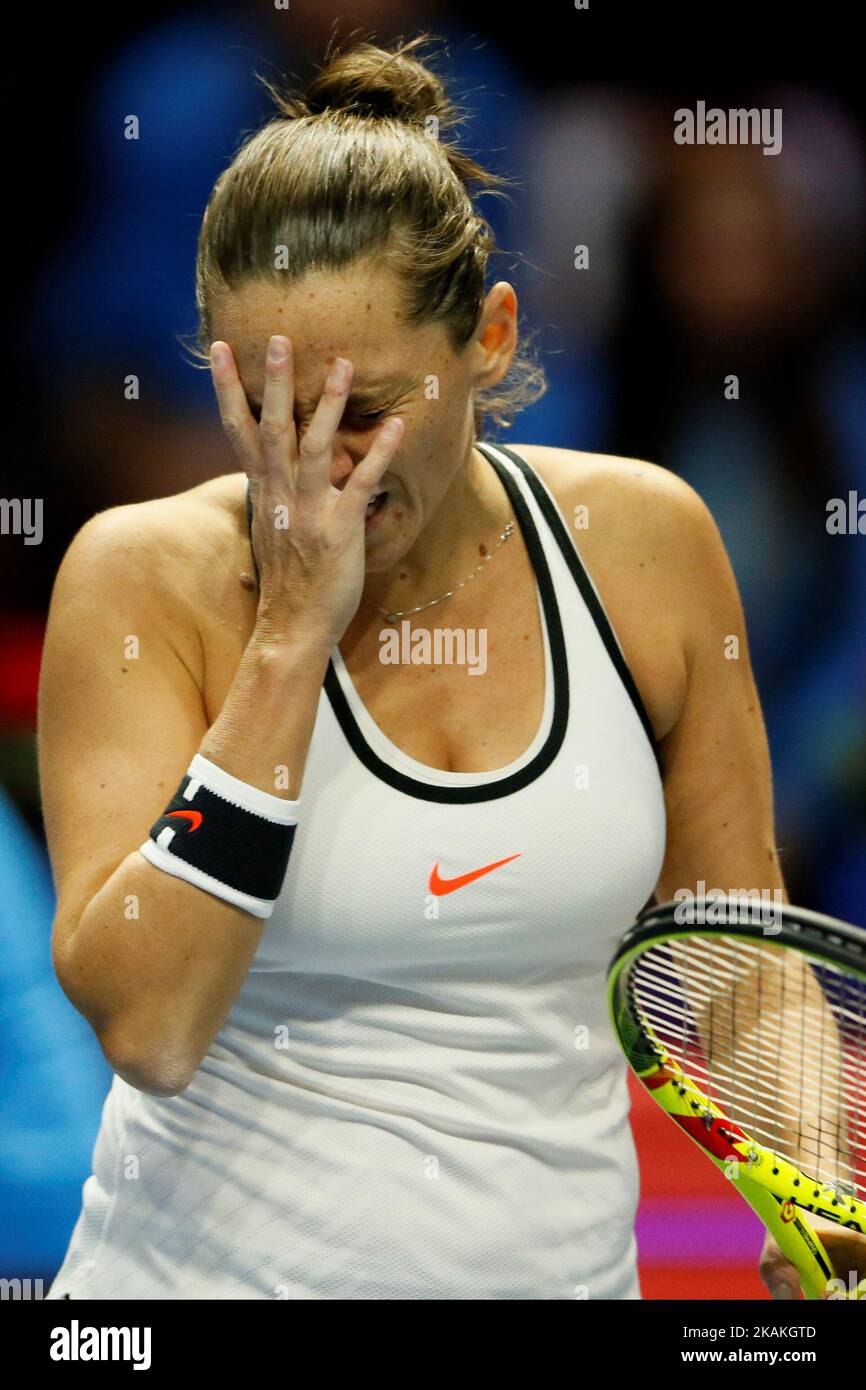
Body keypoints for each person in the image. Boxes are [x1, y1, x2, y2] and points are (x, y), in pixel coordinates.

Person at [38, 34, 861, 1300]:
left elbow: (737, 960)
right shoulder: (140, 578)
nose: (316, 470)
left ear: (488, 336)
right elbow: (149, 1029)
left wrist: (807, 1151)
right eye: (268, 413)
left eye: (361, 411)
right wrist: (288, 643)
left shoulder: (643, 543)